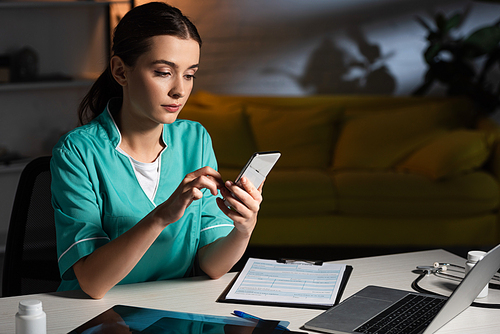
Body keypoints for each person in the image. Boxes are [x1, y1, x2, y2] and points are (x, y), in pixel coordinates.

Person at [50, 2, 263, 299]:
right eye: (164, 72)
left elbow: (212, 266)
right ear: (120, 71)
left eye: (189, 75)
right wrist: (160, 216)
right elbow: (92, 282)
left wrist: (243, 229)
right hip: (94, 316)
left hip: (175, 310)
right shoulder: (77, 152)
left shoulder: (195, 139)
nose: (180, 90)